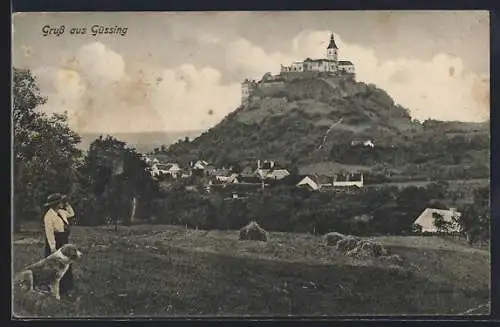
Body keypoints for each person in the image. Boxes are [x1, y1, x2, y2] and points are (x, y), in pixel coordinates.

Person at [43, 193, 75, 296]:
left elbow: (71, 214)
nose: (62, 203)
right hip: (56, 243)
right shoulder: (49, 216)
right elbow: (49, 234)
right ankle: (55, 289)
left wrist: (67, 204)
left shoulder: (61, 212)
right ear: (56, 204)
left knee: (66, 263)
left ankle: (66, 288)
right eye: (61, 202)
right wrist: (53, 248)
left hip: (64, 241)